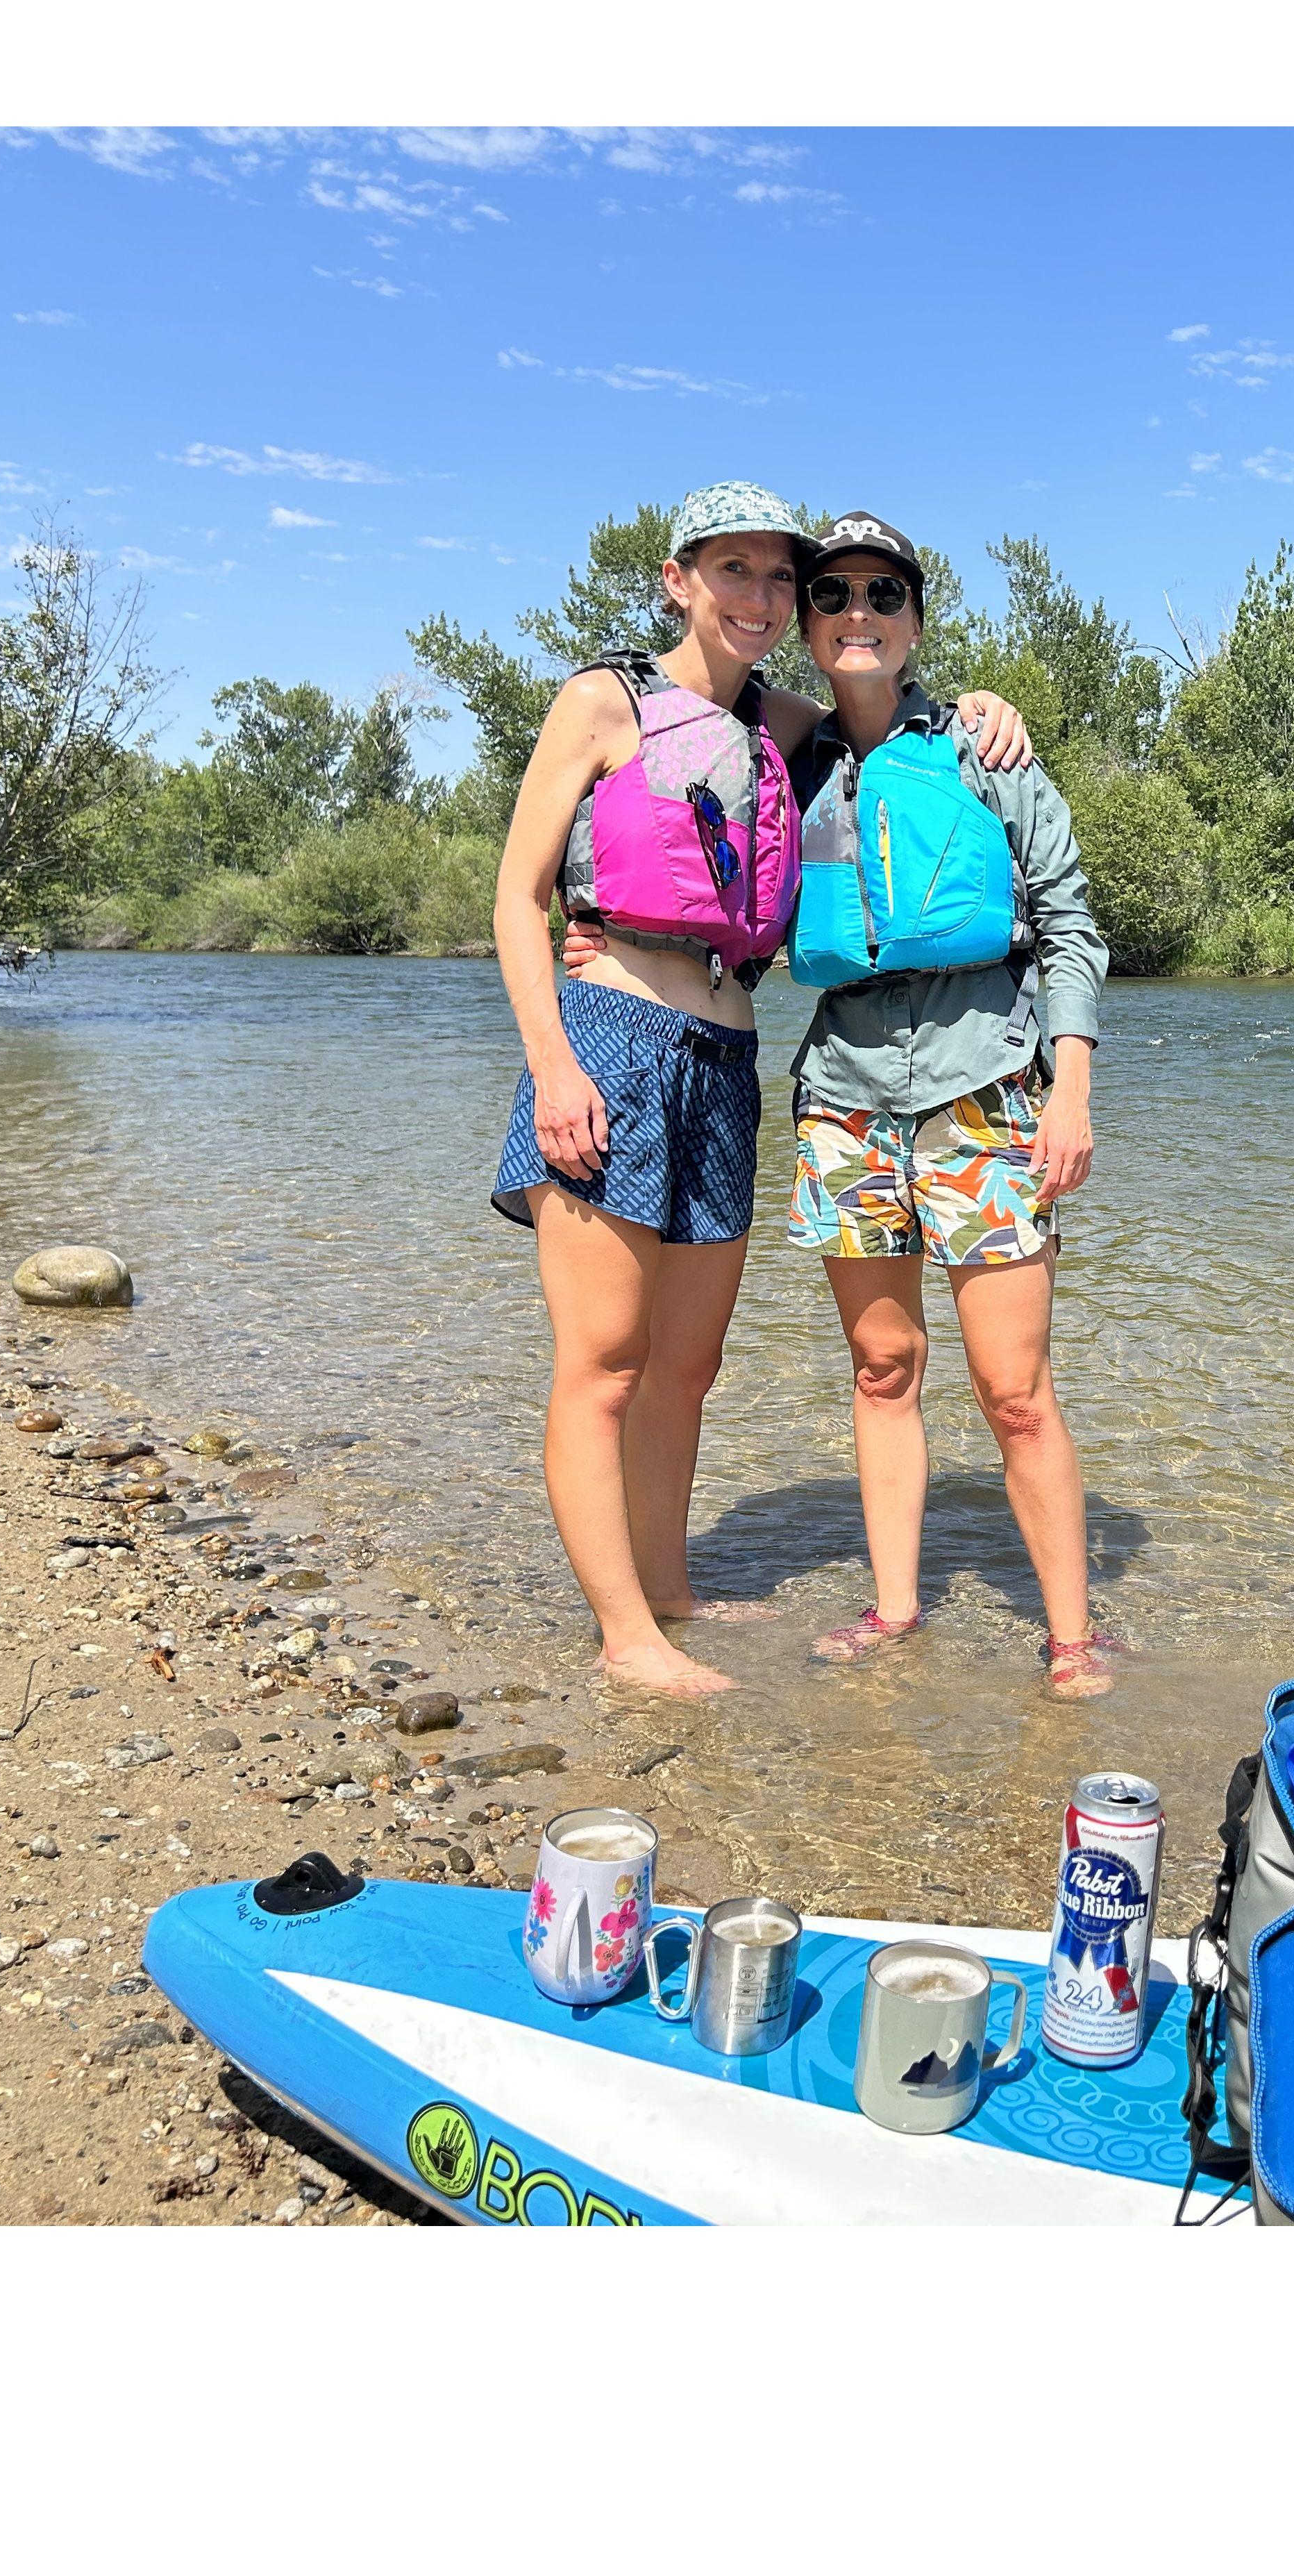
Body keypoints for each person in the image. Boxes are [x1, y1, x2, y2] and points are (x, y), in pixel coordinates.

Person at [491, 480, 1032, 1699]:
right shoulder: (603, 702)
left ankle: (667, 1587)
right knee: (604, 1362)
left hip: (726, 1059)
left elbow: (882, 707)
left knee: (686, 1366)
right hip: (610, 1038)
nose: (761, 595)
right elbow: (519, 898)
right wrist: (554, 1065)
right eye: (734, 569)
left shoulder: (783, 724)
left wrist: (982, 709)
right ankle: (626, 1637)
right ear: (678, 580)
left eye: (779, 577)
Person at [778, 512, 1118, 1700]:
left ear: (915, 621)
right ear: (808, 625)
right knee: (883, 1367)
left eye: (884, 593)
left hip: (985, 1092)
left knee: (1013, 1392)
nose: (858, 612)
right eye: (834, 594)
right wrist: (592, 935)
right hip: (844, 1101)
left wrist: (1071, 1089)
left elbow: (1069, 922)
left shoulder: (987, 749)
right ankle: (895, 1608)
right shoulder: (785, 763)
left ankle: (1071, 1637)